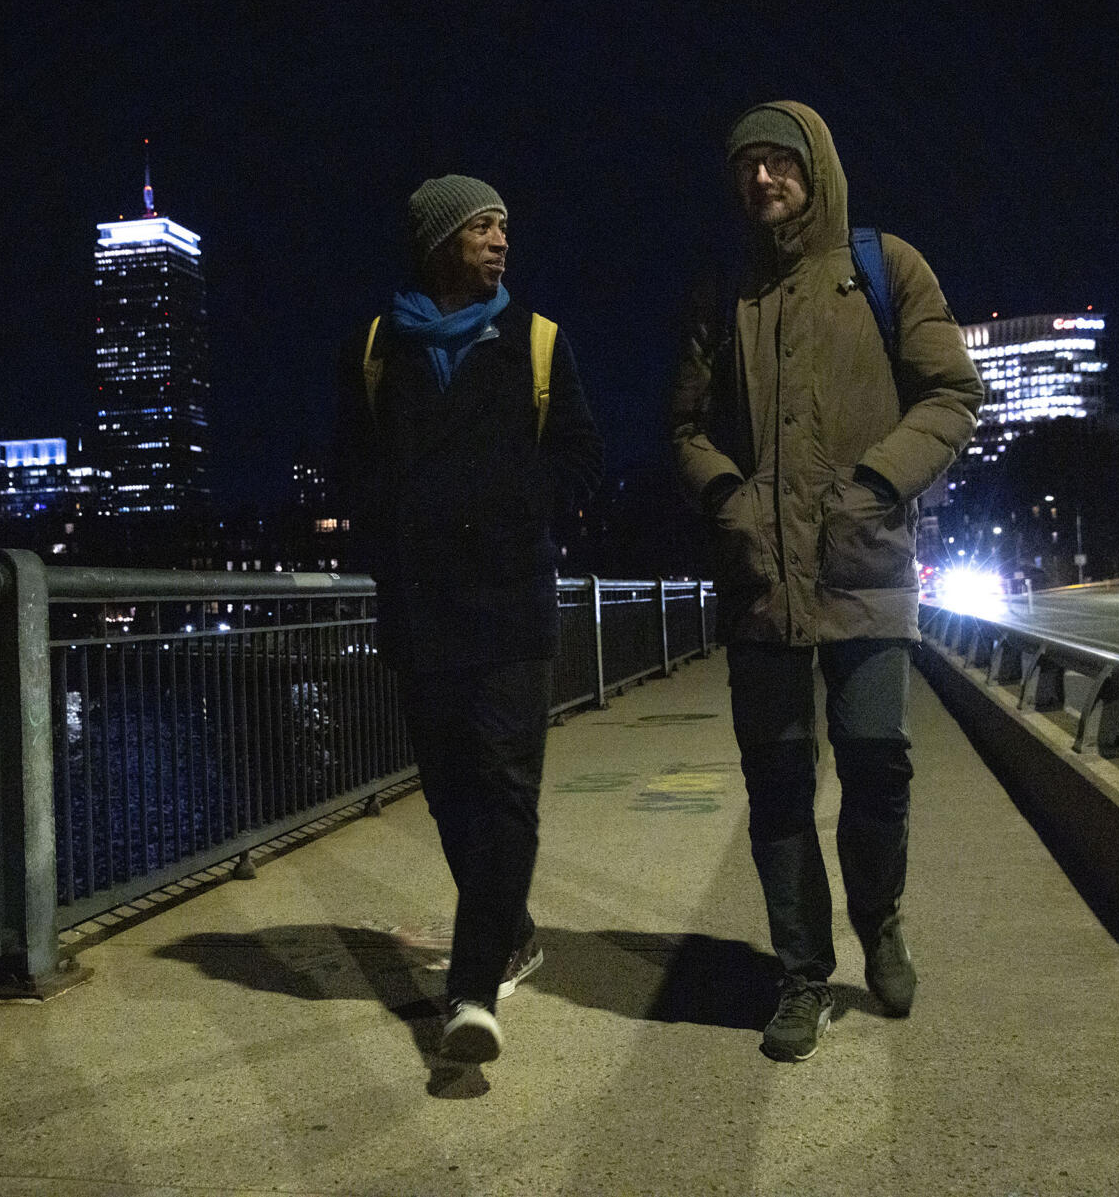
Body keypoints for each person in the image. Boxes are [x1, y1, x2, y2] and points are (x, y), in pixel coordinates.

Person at [668, 102, 982, 1062]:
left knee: (877, 753)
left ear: (816, 169)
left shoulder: (886, 270)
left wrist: (880, 480)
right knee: (777, 785)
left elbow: (952, 392)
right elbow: (684, 426)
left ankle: (879, 921)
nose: (763, 178)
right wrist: (729, 498)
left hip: (865, 567)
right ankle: (800, 972)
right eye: (747, 165)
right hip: (763, 578)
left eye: (780, 162)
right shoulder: (721, 290)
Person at [335, 175, 603, 1063]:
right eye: (481, 225)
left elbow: (579, 457)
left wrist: (516, 505)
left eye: (503, 224)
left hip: (511, 606)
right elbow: (352, 469)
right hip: (421, 613)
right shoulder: (379, 346)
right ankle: (511, 926)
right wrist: (393, 535)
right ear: (438, 242)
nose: (499, 239)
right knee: (451, 794)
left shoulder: (536, 341)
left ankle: (474, 989)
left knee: (505, 791)